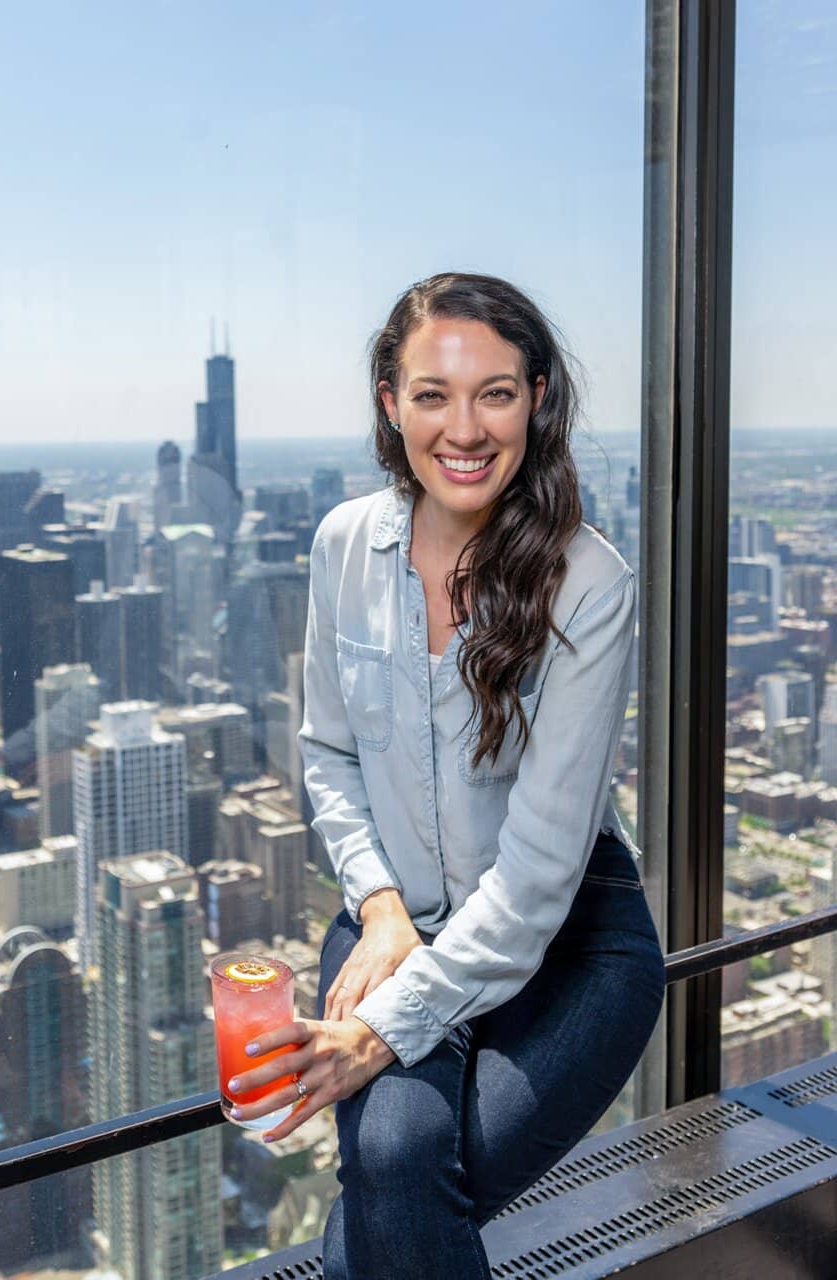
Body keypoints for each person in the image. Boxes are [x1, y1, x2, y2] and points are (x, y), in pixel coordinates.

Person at [223, 272, 666, 1278]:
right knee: (395, 1167)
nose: (463, 428)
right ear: (391, 400)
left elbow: (539, 877)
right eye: (432, 393)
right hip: (395, 912)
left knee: (390, 1169)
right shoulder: (342, 544)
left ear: (538, 399)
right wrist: (380, 908)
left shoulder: (588, 582)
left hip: (568, 941)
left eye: (494, 392)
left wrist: (377, 1031)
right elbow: (327, 752)